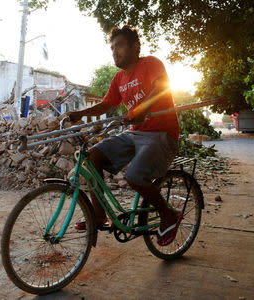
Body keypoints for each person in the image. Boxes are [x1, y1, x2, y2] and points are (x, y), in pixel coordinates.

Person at [67, 25, 181, 246]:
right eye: (111, 48)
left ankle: (169, 215)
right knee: (92, 158)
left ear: (135, 47)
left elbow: (162, 89)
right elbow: (107, 104)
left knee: (135, 177)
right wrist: (80, 113)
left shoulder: (151, 64)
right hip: (135, 134)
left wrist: (142, 109)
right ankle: (99, 216)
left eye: (119, 46)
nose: (114, 52)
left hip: (161, 134)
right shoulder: (119, 78)